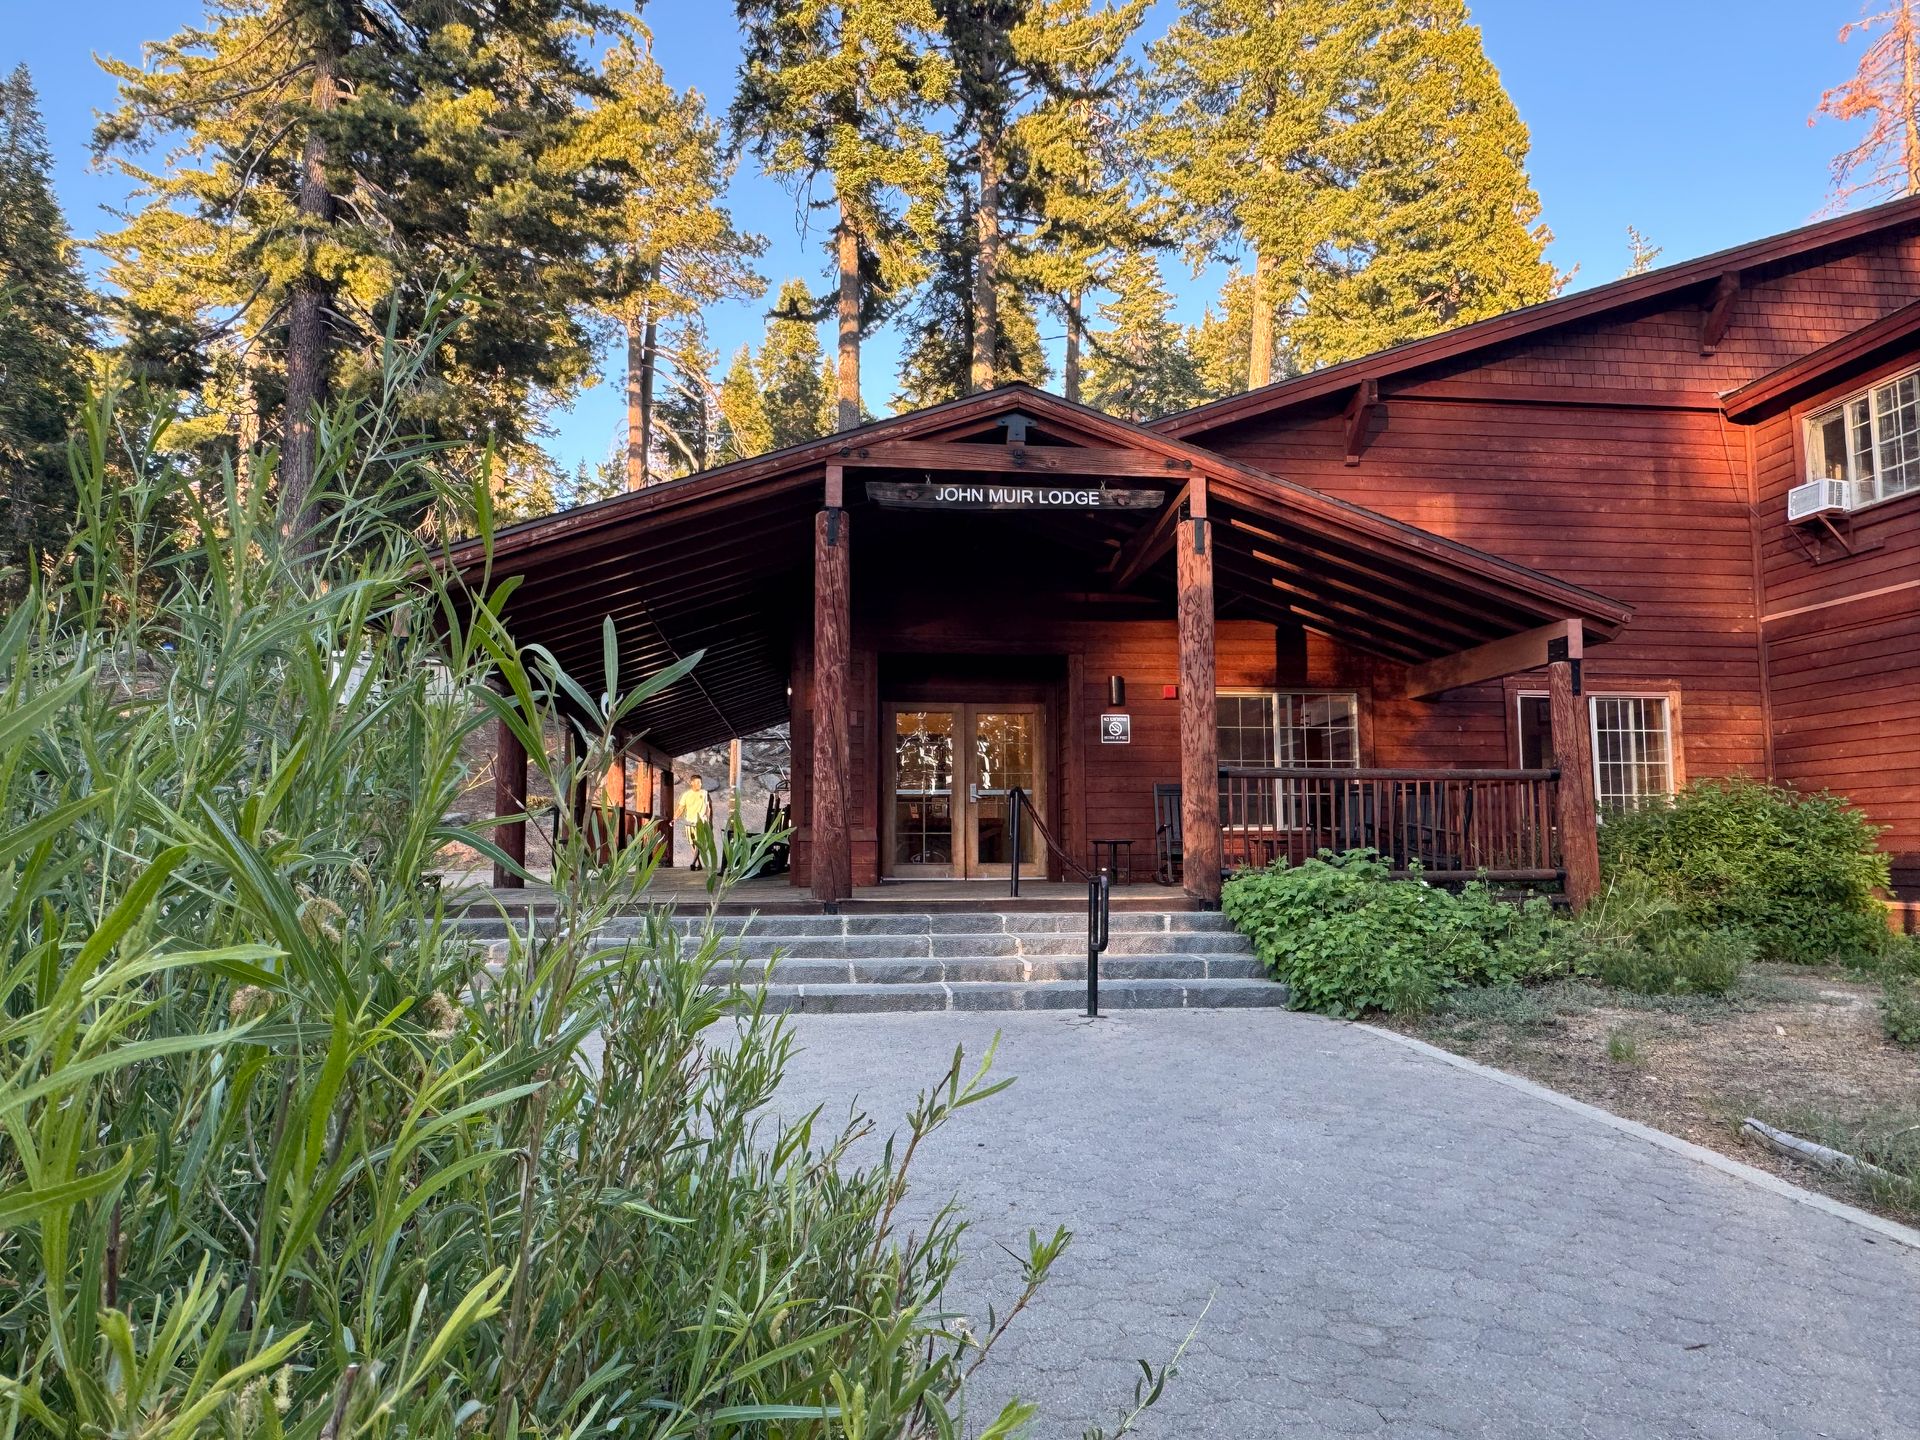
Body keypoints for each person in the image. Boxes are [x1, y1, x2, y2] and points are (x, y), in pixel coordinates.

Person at [674, 774, 712, 870]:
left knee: (698, 842)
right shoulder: (686, 795)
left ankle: (692, 862)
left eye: (700, 782)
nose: (700, 784)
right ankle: (698, 864)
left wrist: (709, 820)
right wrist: (674, 818)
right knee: (692, 843)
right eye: (697, 782)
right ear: (692, 783)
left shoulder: (704, 793)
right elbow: (680, 808)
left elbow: (708, 808)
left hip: (700, 822)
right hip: (689, 822)